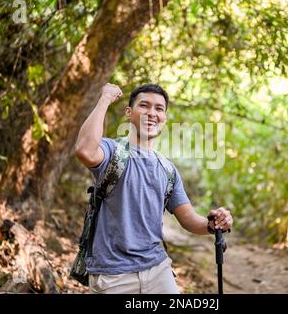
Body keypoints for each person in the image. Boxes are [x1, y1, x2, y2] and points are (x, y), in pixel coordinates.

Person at [74, 83, 233, 294]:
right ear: (129, 113)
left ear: (164, 118)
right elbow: (84, 150)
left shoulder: (167, 169)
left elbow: (189, 220)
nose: (152, 113)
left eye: (159, 108)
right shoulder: (113, 152)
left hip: (158, 269)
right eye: (144, 106)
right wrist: (105, 98)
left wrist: (212, 224)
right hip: (114, 274)